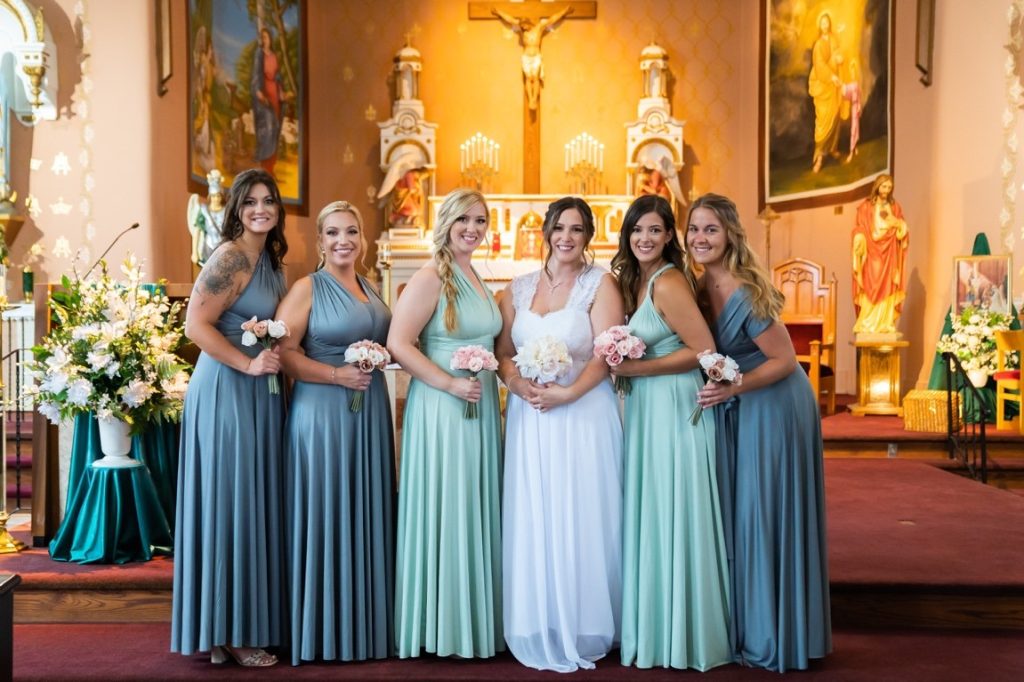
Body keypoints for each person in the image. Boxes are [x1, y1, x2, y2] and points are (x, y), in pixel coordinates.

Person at [688, 193, 831, 672]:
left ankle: (774, 632)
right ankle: (754, 622)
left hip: (774, 402)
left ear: (729, 234)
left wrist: (732, 391)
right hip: (741, 399)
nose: (700, 238)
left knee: (761, 512)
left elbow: (785, 360)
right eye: (694, 229)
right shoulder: (696, 283)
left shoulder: (743, 289)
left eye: (711, 229)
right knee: (742, 512)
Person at [496, 197, 624, 672]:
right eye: (559, 228)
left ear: (588, 236)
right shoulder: (518, 287)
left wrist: (568, 395)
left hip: (582, 412)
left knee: (582, 509)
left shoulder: (601, 284)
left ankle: (586, 620)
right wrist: (517, 384)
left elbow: (606, 354)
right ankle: (539, 617)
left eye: (576, 230)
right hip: (532, 416)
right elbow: (504, 351)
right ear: (546, 231)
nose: (566, 237)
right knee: (537, 510)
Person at [171, 168, 289, 667]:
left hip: (257, 389)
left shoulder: (271, 261)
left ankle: (228, 627)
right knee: (231, 504)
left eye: (269, 201)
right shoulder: (231, 256)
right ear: (236, 209)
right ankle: (232, 631)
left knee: (249, 502)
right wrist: (247, 363)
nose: (260, 209)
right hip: (226, 389)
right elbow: (194, 325)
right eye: (251, 202)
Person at [611, 194, 731, 671]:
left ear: (668, 237)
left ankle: (686, 634)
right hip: (646, 410)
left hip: (675, 403)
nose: (645, 238)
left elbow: (704, 348)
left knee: (676, 508)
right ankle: (658, 629)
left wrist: (639, 370)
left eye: (656, 230)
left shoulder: (668, 281)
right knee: (656, 510)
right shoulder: (634, 280)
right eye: (638, 230)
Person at [275, 201, 394, 665]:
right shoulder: (307, 288)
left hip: (367, 416)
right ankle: (321, 631)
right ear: (320, 241)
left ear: (362, 237)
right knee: (327, 513)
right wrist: (336, 376)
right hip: (322, 414)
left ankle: (364, 626)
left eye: (351, 231)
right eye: (332, 233)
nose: (343, 240)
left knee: (364, 512)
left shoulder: (369, 286)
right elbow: (284, 353)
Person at [388, 188, 504, 659]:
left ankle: (473, 621)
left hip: (477, 412)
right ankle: (441, 625)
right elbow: (399, 342)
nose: (472, 229)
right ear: (447, 223)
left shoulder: (475, 273)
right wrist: (450, 385)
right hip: (442, 410)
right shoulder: (432, 274)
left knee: (472, 506)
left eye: (480, 221)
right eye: (464, 220)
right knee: (448, 505)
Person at [852, 174, 909, 334]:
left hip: (889, 251)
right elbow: (860, 227)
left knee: (888, 285)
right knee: (872, 283)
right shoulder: (866, 206)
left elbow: (902, 229)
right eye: (884, 186)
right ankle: (868, 322)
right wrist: (859, 237)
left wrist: (898, 224)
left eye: (889, 187)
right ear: (877, 186)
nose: (886, 190)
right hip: (871, 250)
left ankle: (885, 323)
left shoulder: (895, 207)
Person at [491, 5, 573, 110]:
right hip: (526, 57)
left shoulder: (539, 27)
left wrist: (565, 11)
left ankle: (534, 98)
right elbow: (510, 20)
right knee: (528, 79)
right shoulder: (521, 30)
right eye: (521, 27)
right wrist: (498, 12)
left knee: (536, 78)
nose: (523, 28)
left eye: (524, 26)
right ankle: (531, 100)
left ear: (528, 23)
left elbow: (552, 19)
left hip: (536, 57)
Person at [808, 12, 842, 173]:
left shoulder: (834, 40)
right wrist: (832, 76)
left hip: (834, 87)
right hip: (822, 85)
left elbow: (839, 56)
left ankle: (832, 148)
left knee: (835, 115)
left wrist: (840, 58)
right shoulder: (819, 45)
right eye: (822, 23)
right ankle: (819, 157)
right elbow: (820, 65)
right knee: (822, 122)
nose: (825, 25)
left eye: (827, 22)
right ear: (819, 26)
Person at [252, 27, 284, 173]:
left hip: (274, 93)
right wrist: (258, 90)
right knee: (267, 128)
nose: (265, 40)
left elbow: (278, 76)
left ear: (270, 38)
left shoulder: (274, 55)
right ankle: (264, 167)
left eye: (267, 37)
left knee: (276, 128)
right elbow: (256, 73)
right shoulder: (259, 54)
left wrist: (281, 92)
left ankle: (271, 168)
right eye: (262, 37)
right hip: (264, 95)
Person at [186, 169, 226, 267]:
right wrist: (194, 252)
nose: (216, 199)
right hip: (208, 247)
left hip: (223, 248)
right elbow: (197, 231)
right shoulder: (204, 211)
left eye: (218, 196)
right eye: (213, 196)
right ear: (210, 197)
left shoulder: (227, 211)